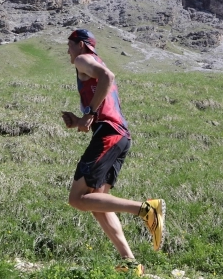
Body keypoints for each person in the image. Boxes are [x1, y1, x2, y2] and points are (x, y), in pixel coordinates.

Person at [61, 29, 165, 275]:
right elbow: (105, 96)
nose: (68, 51)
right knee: (98, 205)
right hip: (118, 135)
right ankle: (129, 264)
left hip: (109, 134)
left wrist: (89, 113)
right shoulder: (91, 63)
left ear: (81, 45)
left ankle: (147, 210)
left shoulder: (83, 59)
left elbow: (108, 76)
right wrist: (78, 121)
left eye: (70, 45)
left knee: (77, 199)